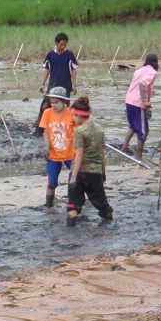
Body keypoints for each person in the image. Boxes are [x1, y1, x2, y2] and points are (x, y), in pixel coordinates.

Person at [66, 97, 113, 227]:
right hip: (95, 172)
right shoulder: (99, 129)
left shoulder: (79, 131)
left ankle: (69, 234)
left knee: (73, 206)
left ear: (78, 115)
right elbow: (102, 153)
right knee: (102, 204)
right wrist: (103, 172)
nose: (73, 119)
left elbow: (79, 154)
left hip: (80, 171)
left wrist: (74, 176)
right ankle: (109, 226)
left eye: (73, 116)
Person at [38, 86, 77, 208]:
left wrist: (79, 152)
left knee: (76, 181)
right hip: (53, 154)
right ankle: (48, 204)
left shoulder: (72, 113)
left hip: (70, 154)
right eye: (51, 102)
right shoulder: (47, 113)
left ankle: (76, 203)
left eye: (56, 102)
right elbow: (46, 133)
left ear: (64, 101)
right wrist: (46, 148)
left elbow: (77, 133)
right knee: (51, 183)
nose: (53, 105)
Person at [34, 32, 79, 135]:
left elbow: (73, 70)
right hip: (52, 86)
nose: (63, 47)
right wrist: (42, 83)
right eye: (61, 44)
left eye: (65, 45)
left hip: (65, 87)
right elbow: (47, 69)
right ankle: (39, 132)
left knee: (64, 110)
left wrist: (74, 84)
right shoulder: (50, 55)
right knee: (45, 107)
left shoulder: (69, 55)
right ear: (56, 43)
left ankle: (64, 131)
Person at [122, 54, 158, 159]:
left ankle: (125, 146)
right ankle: (139, 156)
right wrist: (146, 101)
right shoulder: (152, 72)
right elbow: (142, 84)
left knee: (132, 126)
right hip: (138, 103)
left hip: (129, 100)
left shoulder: (139, 71)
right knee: (144, 131)